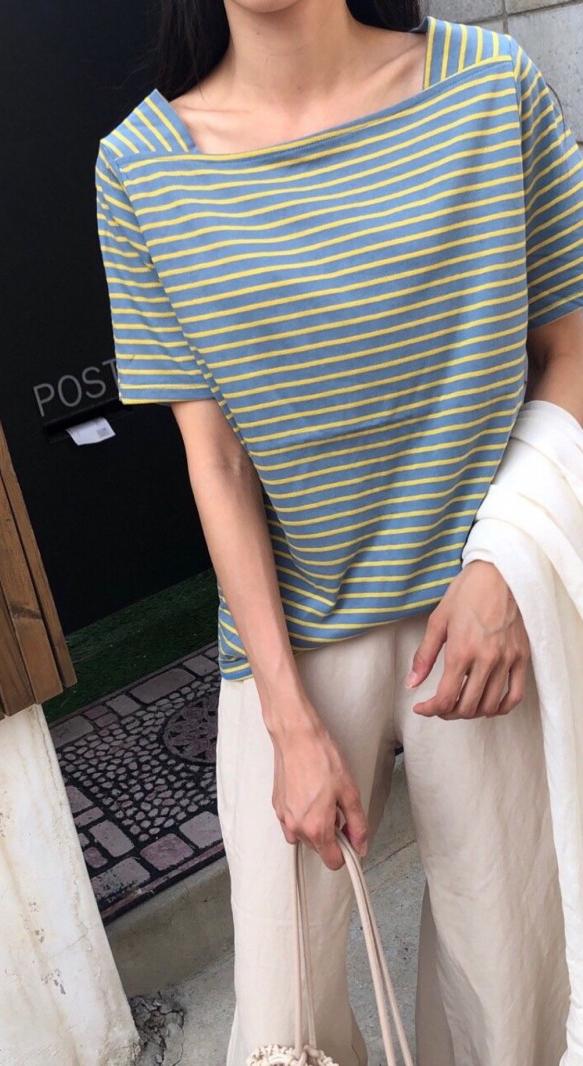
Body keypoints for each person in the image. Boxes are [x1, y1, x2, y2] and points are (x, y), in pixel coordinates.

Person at [94, 2, 583, 1063]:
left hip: (483, 612)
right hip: (291, 641)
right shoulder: (140, 167)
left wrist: (501, 564)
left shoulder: (489, 87)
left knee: (511, 991)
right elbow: (217, 461)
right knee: (282, 1018)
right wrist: (286, 723)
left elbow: (572, 352)